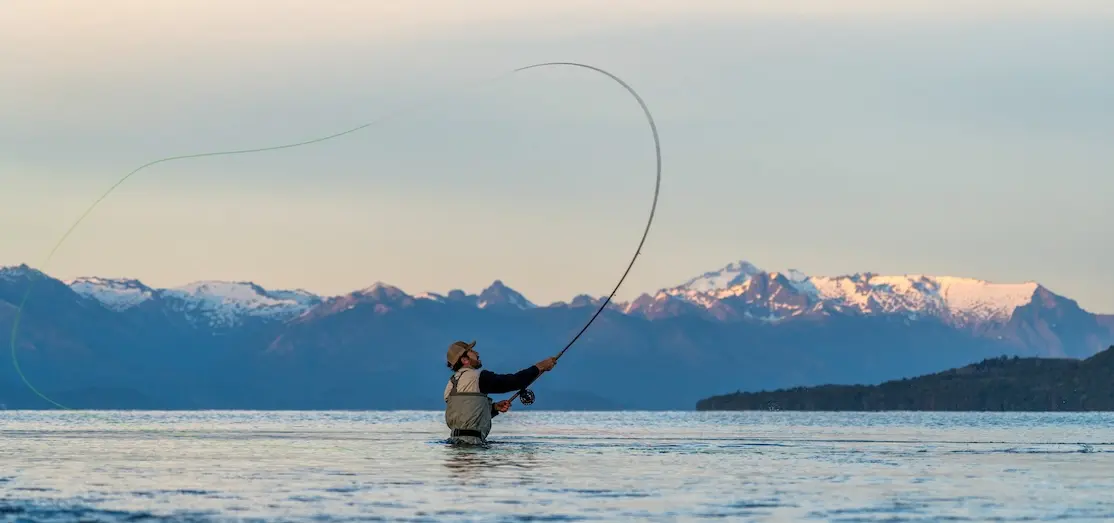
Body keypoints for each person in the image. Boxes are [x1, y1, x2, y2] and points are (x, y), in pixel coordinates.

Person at [443, 340, 557, 445]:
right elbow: (513, 382)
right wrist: (540, 367)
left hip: (454, 442)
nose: (477, 353)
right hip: (473, 444)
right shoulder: (478, 377)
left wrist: (494, 408)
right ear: (464, 360)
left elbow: (466, 414)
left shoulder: (451, 384)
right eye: (471, 351)